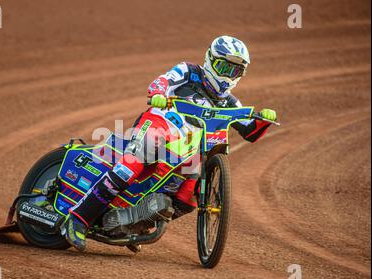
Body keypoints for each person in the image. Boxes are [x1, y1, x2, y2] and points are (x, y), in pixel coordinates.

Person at [62, 35, 277, 251]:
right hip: (159, 124)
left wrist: (263, 121)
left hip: (187, 148)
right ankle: (78, 219)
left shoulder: (230, 102)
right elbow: (162, 81)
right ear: (210, 60)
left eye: (235, 71)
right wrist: (158, 93)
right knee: (130, 166)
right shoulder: (188, 71)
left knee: (187, 199)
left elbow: (250, 131)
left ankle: (133, 223)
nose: (228, 76)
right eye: (224, 67)